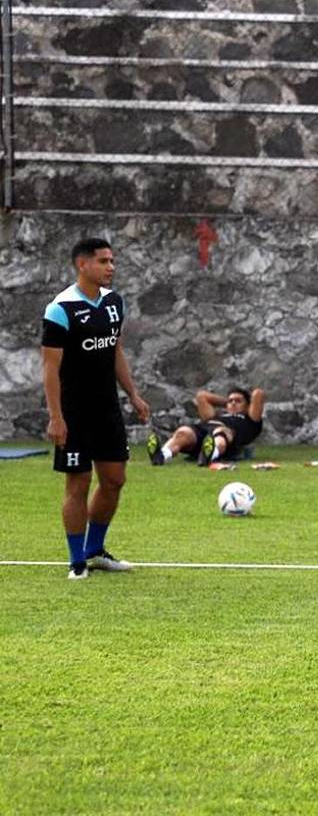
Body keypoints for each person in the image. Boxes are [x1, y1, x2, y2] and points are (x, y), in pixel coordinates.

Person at [41, 237, 150, 580]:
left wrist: (132, 394)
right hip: (74, 413)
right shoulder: (60, 309)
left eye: (112, 261)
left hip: (107, 409)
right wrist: (56, 417)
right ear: (83, 265)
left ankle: (95, 551)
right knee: (79, 483)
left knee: (115, 480)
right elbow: (50, 368)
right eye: (104, 261)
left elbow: (115, 351)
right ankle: (77, 562)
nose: (111, 267)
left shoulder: (114, 303)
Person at [146, 386, 266, 466]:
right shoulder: (217, 416)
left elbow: (258, 393)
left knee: (220, 433)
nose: (233, 403)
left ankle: (209, 455)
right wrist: (227, 404)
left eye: (238, 401)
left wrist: (243, 406)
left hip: (227, 435)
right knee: (184, 432)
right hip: (204, 430)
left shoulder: (251, 420)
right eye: (231, 401)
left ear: (248, 406)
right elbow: (202, 396)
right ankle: (162, 455)